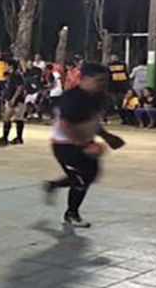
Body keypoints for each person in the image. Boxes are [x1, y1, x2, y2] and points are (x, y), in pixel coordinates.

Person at [43, 63, 126, 228]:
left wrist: (107, 137)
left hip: (85, 141)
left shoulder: (99, 97)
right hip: (65, 145)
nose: (102, 84)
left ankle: (53, 185)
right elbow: (65, 126)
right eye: (98, 80)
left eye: (105, 81)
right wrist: (84, 145)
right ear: (84, 79)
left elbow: (92, 122)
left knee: (90, 175)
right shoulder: (72, 98)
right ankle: (71, 214)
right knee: (80, 181)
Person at [0, 59, 28, 145]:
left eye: (6, 65)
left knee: (6, 118)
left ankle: (5, 138)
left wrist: (13, 98)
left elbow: (20, 87)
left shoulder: (15, 75)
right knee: (19, 119)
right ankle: (19, 138)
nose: (4, 67)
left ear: (11, 66)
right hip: (18, 100)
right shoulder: (14, 75)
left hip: (16, 100)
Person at [106, 54, 130, 121]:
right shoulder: (109, 65)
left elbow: (126, 73)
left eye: (116, 57)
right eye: (113, 58)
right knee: (113, 98)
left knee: (121, 99)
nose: (115, 59)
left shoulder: (123, 64)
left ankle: (121, 111)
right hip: (113, 85)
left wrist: (127, 82)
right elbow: (108, 75)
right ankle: (115, 107)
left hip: (122, 84)